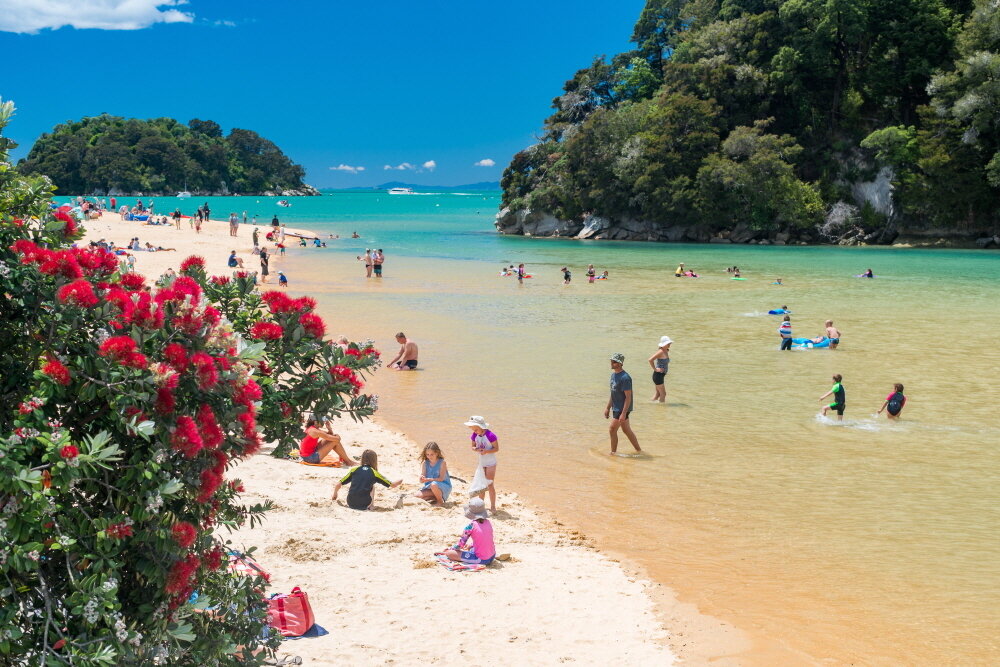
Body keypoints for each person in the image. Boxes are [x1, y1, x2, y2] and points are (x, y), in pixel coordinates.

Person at [332, 449, 401, 511]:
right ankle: (371, 506)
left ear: (362, 459)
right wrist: (401, 480)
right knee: (372, 486)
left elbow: (338, 484)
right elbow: (393, 485)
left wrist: (335, 494)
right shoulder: (374, 473)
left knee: (358, 483)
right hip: (364, 504)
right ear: (374, 461)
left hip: (350, 503)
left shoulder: (354, 470)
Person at [441, 497, 496, 566]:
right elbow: (486, 538)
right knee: (471, 547)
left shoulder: (471, 526)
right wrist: (471, 545)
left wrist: (450, 549)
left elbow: (460, 544)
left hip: (481, 559)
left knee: (449, 553)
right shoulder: (488, 522)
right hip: (492, 555)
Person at [605, 353, 640, 454]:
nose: (612, 363)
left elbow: (628, 397)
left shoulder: (625, 378)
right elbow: (613, 393)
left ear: (620, 363)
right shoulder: (613, 375)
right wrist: (607, 408)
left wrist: (624, 413)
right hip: (616, 407)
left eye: (614, 361)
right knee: (626, 430)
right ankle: (639, 450)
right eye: (611, 361)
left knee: (612, 429)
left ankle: (613, 453)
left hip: (623, 408)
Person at [465, 416, 498, 512]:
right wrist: (476, 449)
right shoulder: (474, 435)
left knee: (490, 484)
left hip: (491, 462)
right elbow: (473, 446)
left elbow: (496, 449)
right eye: (472, 429)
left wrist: (486, 451)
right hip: (481, 463)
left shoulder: (491, 435)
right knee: (481, 485)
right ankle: (481, 504)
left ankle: (493, 506)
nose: (474, 431)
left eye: (476, 429)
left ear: (482, 427)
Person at [414, 442, 451, 507]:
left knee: (433, 484)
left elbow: (441, 479)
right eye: (427, 454)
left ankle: (440, 501)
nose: (429, 456)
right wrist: (421, 479)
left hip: (443, 486)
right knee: (416, 496)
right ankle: (435, 497)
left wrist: (429, 479)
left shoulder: (442, 463)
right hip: (430, 487)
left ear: (437, 453)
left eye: (432, 454)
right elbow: (422, 479)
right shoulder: (425, 463)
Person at [648, 336, 672, 403]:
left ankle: (649, 404)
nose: (670, 344)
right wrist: (655, 369)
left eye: (670, 343)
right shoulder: (661, 351)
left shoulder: (665, 350)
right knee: (663, 394)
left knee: (658, 394)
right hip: (658, 375)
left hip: (660, 375)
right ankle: (661, 409)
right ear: (664, 344)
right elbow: (650, 360)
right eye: (668, 343)